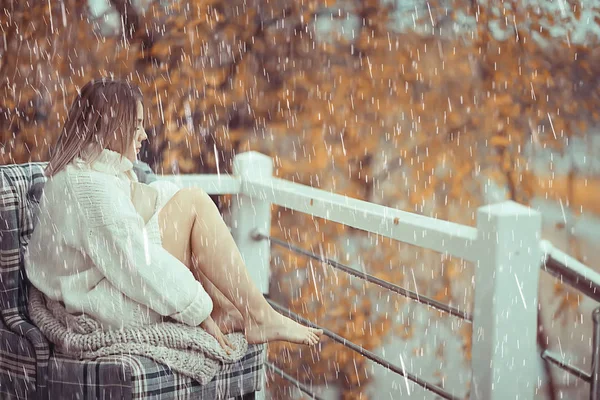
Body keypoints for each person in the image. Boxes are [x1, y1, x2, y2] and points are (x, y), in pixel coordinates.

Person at [24, 79, 323, 353]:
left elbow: (141, 215)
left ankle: (238, 310)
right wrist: (197, 310)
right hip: (100, 305)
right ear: (113, 126)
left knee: (190, 207)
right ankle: (258, 315)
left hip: (99, 286)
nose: (143, 135)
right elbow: (137, 264)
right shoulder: (88, 189)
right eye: (137, 125)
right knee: (194, 204)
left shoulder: (90, 173)